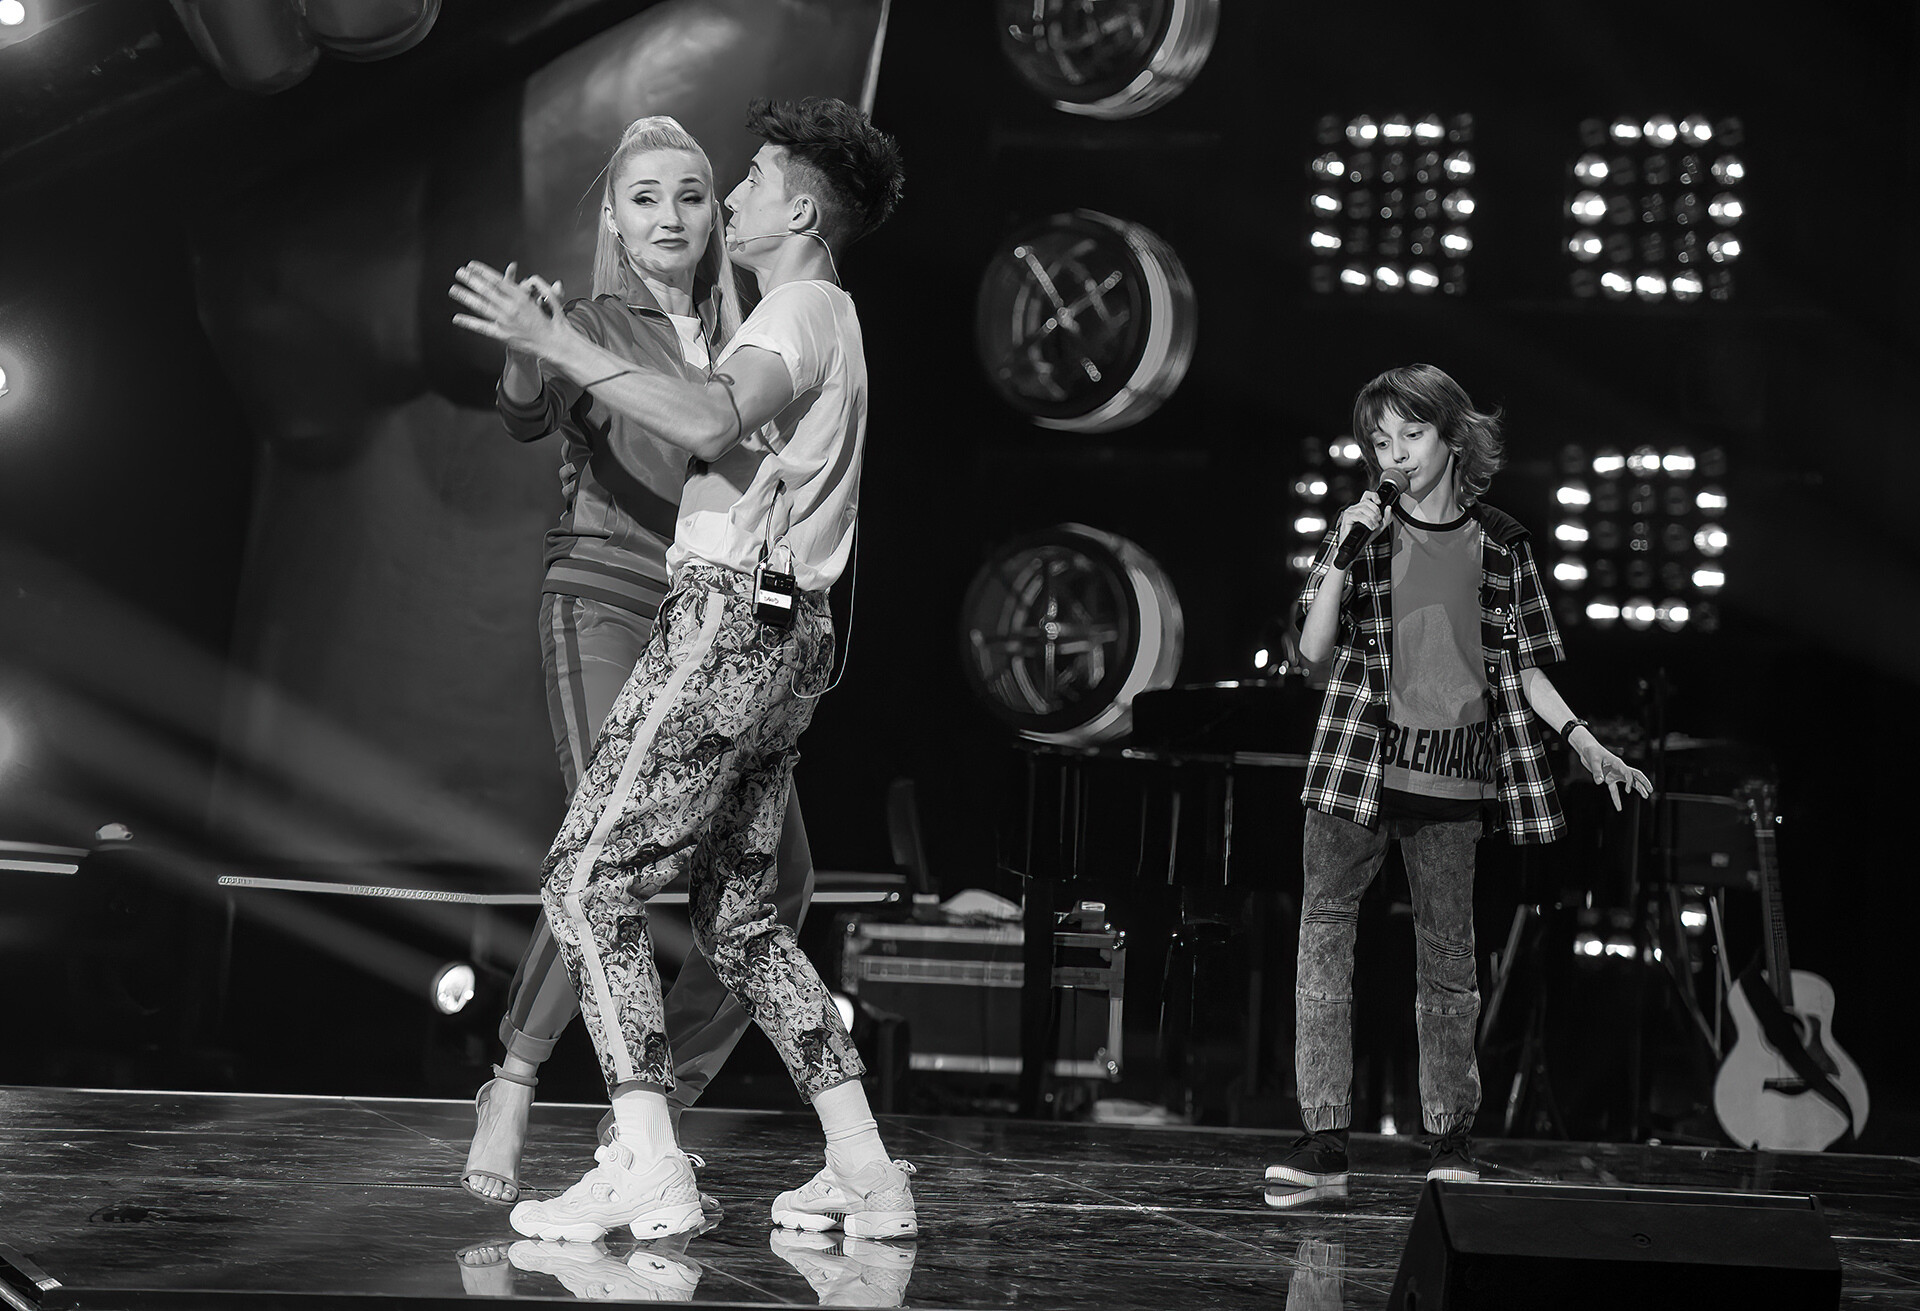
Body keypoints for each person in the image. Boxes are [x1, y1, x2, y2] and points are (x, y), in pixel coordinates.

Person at [450, 96, 909, 1243]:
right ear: (615, 215)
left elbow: (710, 424)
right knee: (739, 919)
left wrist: (564, 346)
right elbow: (528, 412)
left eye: (730, 185)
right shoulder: (800, 311)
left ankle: (648, 1155)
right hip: (716, 616)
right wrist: (545, 346)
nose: (713, 205)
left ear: (787, 214)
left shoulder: (779, 311)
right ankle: (864, 1166)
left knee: (590, 879)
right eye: (651, 196)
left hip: (723, 620)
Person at [1266, 364, 1650, 1189]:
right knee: (1324, 938)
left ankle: (1448, 1138)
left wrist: (1583, 739)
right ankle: (1323, 1137)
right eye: (1381, 441)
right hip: (1354, 767)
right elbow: (1313, 650)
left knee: (1448, 962)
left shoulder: (1501, 543)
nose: (1396, 454)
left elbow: (1524, 668)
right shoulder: (1361, 535)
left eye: (1412, 435)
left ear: (1452, 438)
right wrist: (1342, 552)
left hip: (1453, 774)